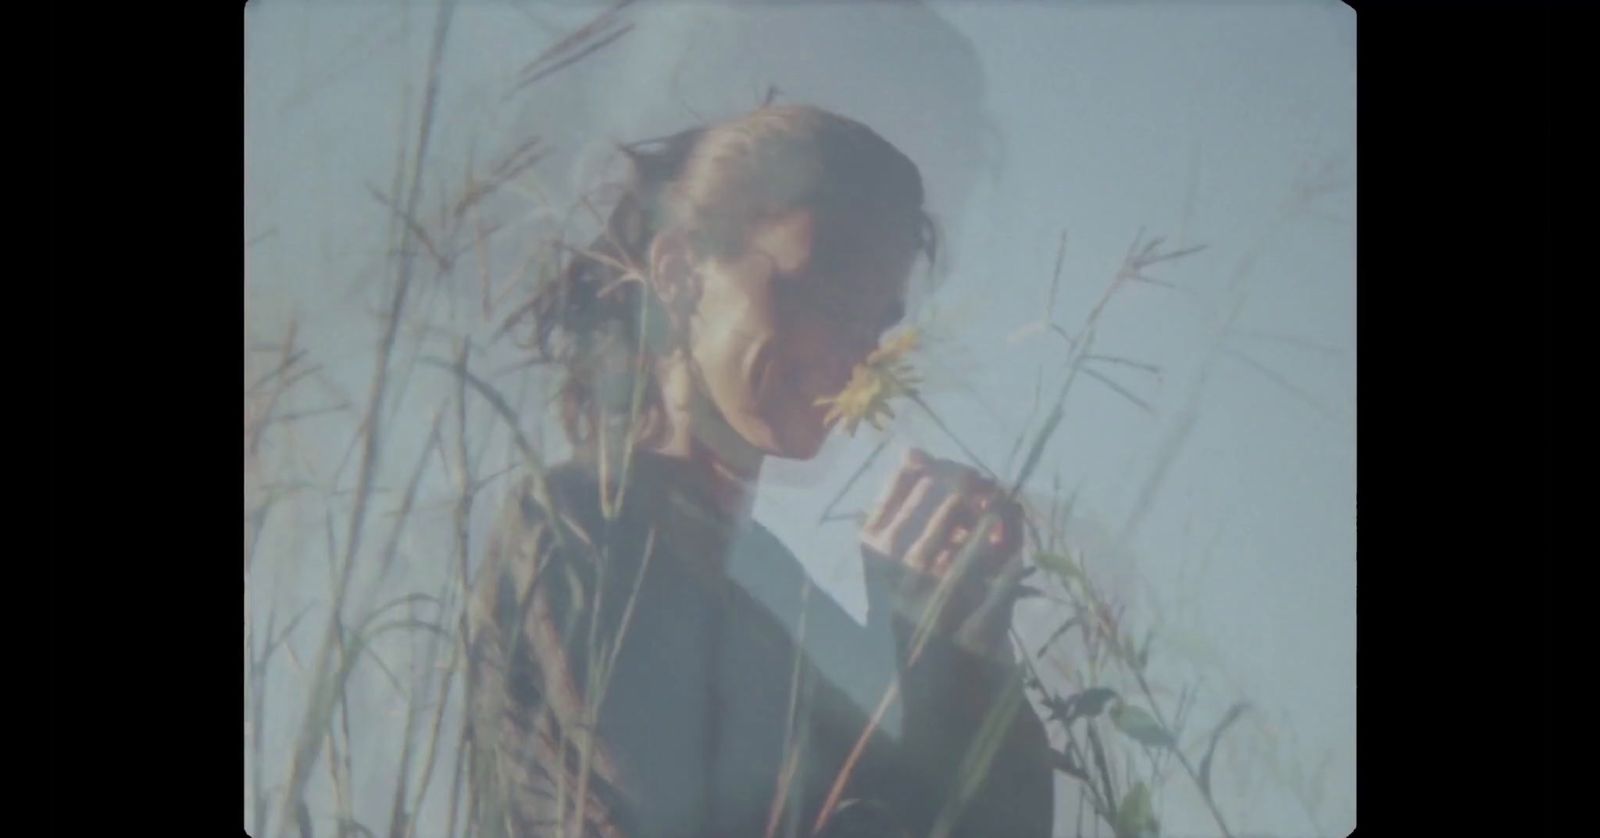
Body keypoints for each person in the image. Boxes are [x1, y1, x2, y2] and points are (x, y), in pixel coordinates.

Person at [466, 105, 1053, 838]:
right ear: (680, 272)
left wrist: (964, 649)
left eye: (877, 322)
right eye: (822, 294)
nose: (855, 352)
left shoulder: (779, 591)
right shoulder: (576, 525)